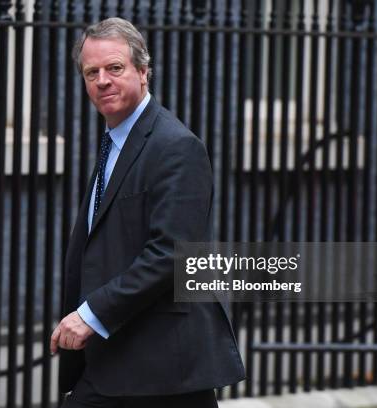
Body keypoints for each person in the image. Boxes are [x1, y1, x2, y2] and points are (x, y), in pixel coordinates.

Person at [50, 17, 245, 408]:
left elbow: (171, 253)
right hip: (119, 361)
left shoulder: (175, 147)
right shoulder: (116, 142)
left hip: (162, 369)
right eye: (92, 72)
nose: (102, 80)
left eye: (115, 68)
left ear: (143, 71)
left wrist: (91, 314)